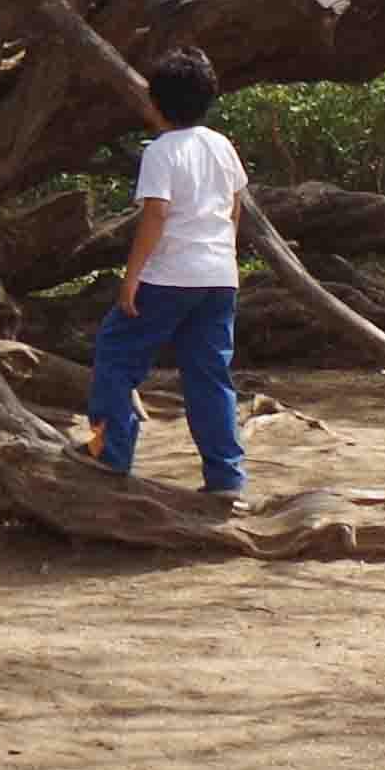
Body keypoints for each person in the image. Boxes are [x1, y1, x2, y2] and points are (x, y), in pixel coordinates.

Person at [86, 50, 248, 495]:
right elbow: (235, 204)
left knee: (116, 356)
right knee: (209, 375)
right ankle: (226, 477)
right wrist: (224, 253)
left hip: (169, 276)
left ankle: (110, 454)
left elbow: (156, 215)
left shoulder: (162, 151)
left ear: (155, 104)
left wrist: (131, 276)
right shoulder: (221, 145)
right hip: (218, 277)